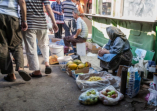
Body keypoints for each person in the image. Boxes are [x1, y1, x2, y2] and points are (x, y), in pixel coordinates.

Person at [23, 0, 58, 77]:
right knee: (44, 45)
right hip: (42, 23)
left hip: (30, 23)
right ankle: (47, 64)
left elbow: (22, 3)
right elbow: (48, 7)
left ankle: (37, 71)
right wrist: (54, 23)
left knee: (32, 48)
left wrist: (24, 21)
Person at [0, 0, 31, 82]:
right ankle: (20, 67)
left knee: (2, 46)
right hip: (12, 16)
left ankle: (10, 74)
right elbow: (22, 1)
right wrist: (24, 20)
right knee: (17, 44)